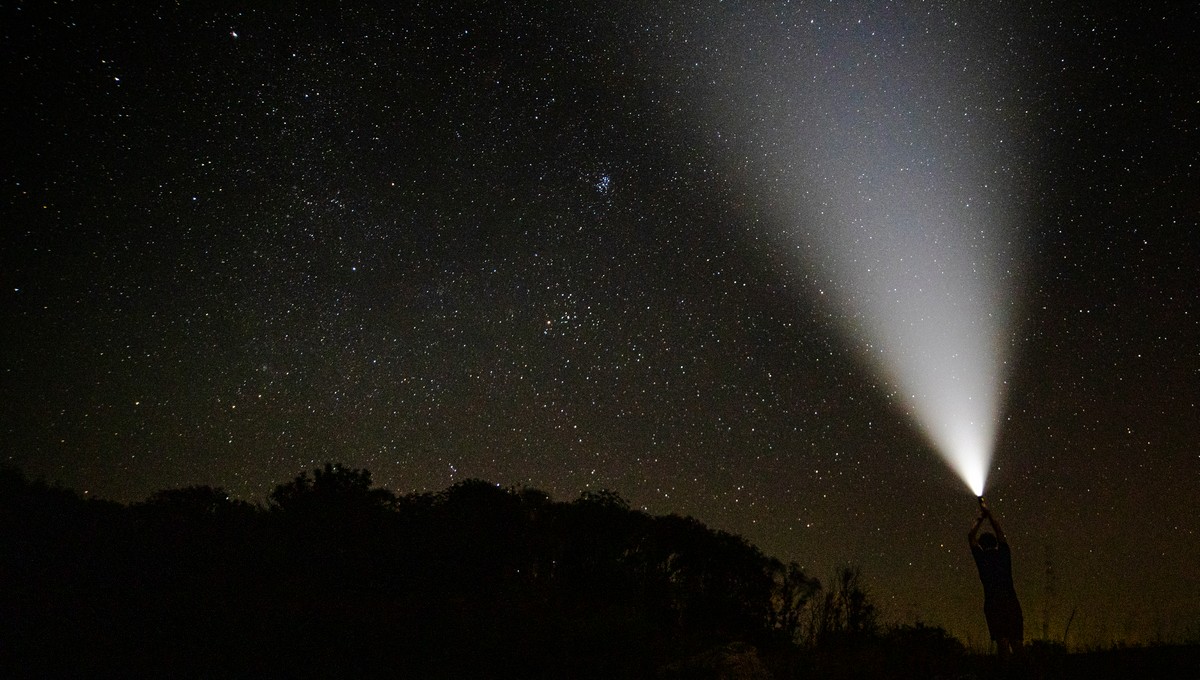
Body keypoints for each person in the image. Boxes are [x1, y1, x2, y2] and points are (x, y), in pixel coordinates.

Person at [969, 498, 1023, 657]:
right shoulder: (1004, 554)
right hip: (1011, 601)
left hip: (993, 603)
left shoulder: (981, 558)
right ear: (995, 543)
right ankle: (1024, 670)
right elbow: (999, 531)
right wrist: (989, 514)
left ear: (981, 545)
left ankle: (1005, 670)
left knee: (1002, 643)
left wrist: (980, 518)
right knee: (1017, 643)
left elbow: (970, 536)